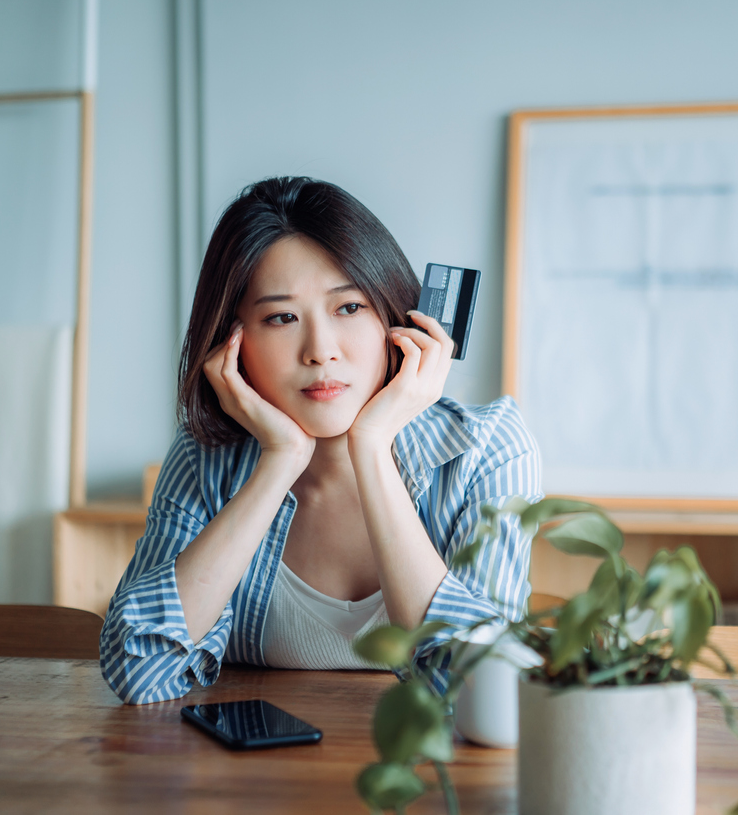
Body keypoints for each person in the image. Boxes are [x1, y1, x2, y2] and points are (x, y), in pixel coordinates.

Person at [100, 176, 541, 704]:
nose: (320, 350)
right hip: (248, 780)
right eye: (282, 317)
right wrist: (278, 461)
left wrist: (373, 446)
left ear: (397, 314)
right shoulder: (204, 457)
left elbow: (480, 694)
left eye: (349, 308)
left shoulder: (486, 449)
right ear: (232, 342)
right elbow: (140, 672)